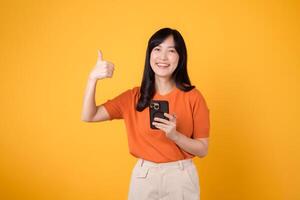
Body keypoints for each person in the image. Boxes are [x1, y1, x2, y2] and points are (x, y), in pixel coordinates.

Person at [81, 27, 210, 200]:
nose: (163, 57)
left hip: (180, 177)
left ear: (180, 58)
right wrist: (92, 79)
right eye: (157, 49)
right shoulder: (133, 97)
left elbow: (203, 150)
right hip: (144, 177)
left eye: (171, 51)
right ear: (149, 55)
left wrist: (175, 136)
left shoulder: (193, 97)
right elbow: (89, 115)